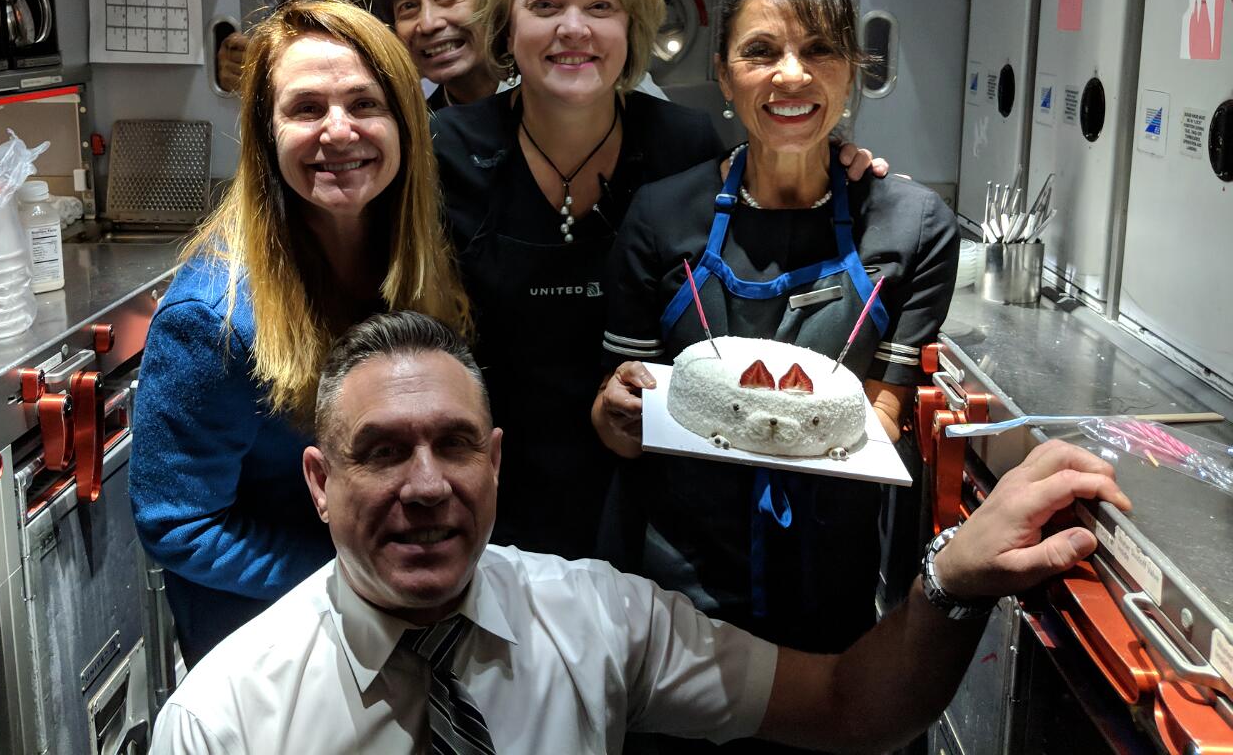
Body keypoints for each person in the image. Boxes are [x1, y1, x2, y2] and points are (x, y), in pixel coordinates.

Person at [149, 311, 1132, 755]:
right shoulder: (221, 723)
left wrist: (953, 581)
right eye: (381, 453)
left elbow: (850, 707)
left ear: (496, 463)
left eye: (455, 445)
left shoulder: (596, 619)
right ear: (320, 484)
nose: (427, 486)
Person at [433, 0, 883, 559]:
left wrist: (845, 170)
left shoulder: (685, 143)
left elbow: (775, 213)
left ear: (631, 25)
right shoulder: (446, 150)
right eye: (545, 5)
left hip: (653, 483)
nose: (574, 28)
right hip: (492, 480)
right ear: (506, 24)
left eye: (600, 6)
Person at [594, 0, 960, 674]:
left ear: (852, 70)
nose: (792, 74)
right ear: (724, 74)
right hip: (677, 592)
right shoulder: (661, 216)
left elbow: (883, 415)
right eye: (761, 52)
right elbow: (619, 419)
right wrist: (616, 411)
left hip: (834, 592)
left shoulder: (914, 226)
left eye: (819, 49)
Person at [131, 0, 472, 666]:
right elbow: (179, 524)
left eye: (365, 104)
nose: (338, 132)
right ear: (266, 135)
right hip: (276, 644)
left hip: (392, 621)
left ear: (406, 123)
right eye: (307, 109)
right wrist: (355, 577)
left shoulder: (417, 261)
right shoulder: (213, 318)